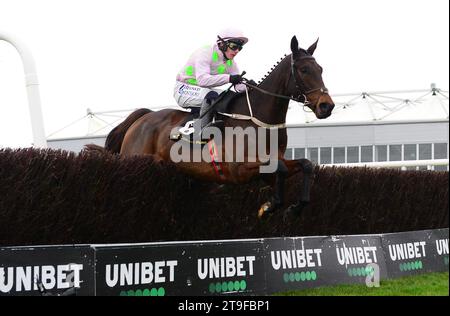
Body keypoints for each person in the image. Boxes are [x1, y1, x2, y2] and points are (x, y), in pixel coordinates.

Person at [173, 28, 252, 139]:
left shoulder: (230, 63)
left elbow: (238, 85)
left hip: (203, 90)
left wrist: (249, 86)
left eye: (240, 48)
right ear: (222, 44)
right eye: (234, 47)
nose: (237, 51)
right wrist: (229, 78)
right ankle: (200, 132)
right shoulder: (205, 53)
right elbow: (202, 80)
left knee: (231, 97)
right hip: (184, 89)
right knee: (212, 97)